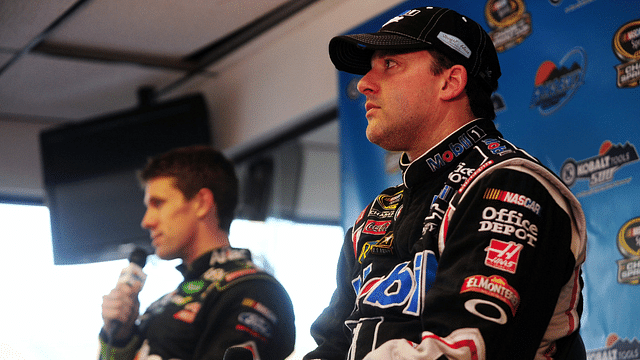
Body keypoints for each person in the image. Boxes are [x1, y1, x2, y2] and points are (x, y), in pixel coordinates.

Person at [304, 6, 587, 360]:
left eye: (390, 64)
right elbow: (331, 348)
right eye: (369, 67)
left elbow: (464, 350)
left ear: (450, 81)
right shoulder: (375, 215)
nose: (363, 83)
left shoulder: (510, 185)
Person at [99, 145, 296, 360]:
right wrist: (121, 336)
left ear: (202, 203)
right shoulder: (165, 302)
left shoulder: (251, 289)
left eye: (158, 203)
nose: (147, 221)